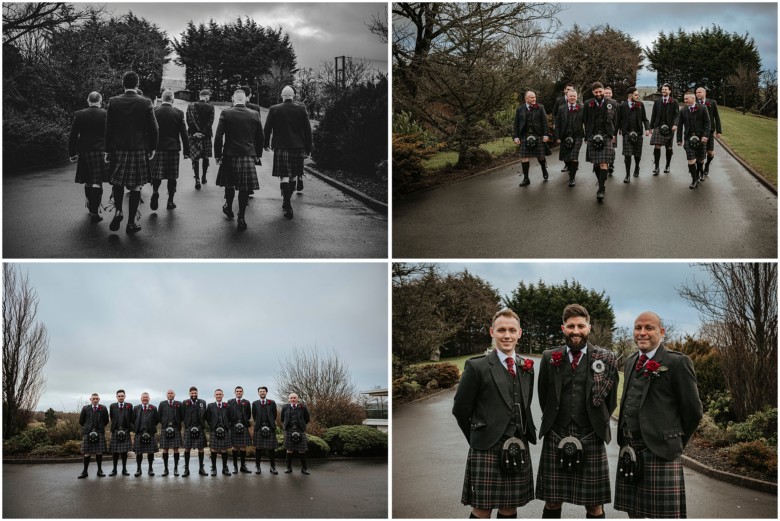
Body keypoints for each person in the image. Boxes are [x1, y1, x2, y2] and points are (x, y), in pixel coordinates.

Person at [614, 311, 703, 518]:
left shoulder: (677, 363)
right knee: (633, 513)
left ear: (662, 332)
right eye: (638, 328)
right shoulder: (630, 361)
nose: (642, 333)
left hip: (661, 453)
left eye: (649, 328)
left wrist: (674, 441)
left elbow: (693, 411)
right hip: (630, 449)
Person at [452, 308, 537, 519]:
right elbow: (460, 410)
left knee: (510, 507)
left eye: (511, 330)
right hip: (486, 447)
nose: (506, 335)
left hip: (518, 444)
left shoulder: (526, 367)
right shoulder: (477, 366)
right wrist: (477, 437)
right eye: (501, 330)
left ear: (520, 333)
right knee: (482, 509)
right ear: (492, 332)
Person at [536, 304, 619, 519]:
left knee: (594, 506)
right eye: (571, 325)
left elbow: (611, 400)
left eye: (580, 325)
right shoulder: (549, 357)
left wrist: (595, 421)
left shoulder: (606, 358)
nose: (576, 330)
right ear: (563, 328)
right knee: (552, 502)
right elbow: (543, 396)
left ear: (588, 328)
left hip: (592, 435)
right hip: (556, 433)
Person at [104, 71, 159, 234]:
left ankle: (119, 210)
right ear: (137, 84)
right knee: (135, 186)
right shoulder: (146, 102)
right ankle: (130, 223)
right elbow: (154, 128)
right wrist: (152, 147)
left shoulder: (113, 101)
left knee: (118, 182)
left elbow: (108, 128)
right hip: (138, 148)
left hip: (118, 148)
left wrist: (107, 150)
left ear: (123, 84)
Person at [214, 89, 264, 231]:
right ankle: (241, 217)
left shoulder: (226, 113)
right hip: (248, 155)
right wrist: (258, 154)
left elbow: (218, 136)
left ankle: (228, 207)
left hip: (230, 155)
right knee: (244, 188)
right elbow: (261, 137)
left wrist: (218, 155)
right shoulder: (254, 114)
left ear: (233, 99)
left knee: (229, 184)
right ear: (245, 99)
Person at [263, 85, 313, 219]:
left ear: (282, 96)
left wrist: (265, 144)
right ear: (293, 96)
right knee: (293, 176)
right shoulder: (301, 108)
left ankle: (288, 204)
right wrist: (308, 149)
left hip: (281, 147)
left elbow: (267, 129)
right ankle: (287, 201)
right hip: (297, 147)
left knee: (284, 176)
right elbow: (308, 131)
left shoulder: (274, 109)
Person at [69, 91, 109, 223]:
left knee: (87, 179)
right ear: (101, 101)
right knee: (96, 182)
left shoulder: (79, 115)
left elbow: (73, 136)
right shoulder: (106, 114)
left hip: (84, 152)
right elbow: (111, 134)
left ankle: (90, 206)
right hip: (100, 152)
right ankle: (94, 211)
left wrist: (72, 153)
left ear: (88, 100)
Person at [149, 89, 189, 211]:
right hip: (172, 149)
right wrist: (186, 151)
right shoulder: (178, 113)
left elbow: (149, 131)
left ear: (162, 98)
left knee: (156, 174)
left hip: (157, 148)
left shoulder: (154, 111)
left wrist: (148, 147)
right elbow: (184, 133)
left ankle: (155, 191)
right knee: (172, 176)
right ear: (172, 99)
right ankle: (170, 201)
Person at [583, 82, 616, 202]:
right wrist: (587, 136)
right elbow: (585, 121)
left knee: (604, 162)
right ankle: (601, 181)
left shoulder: (611, 103)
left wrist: (613, 134)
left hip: (606, 135)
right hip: (592, 135)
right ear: (593, 92)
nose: (598, 94)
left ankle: (601, 188)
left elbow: (614, 120)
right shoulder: (588, 104)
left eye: (600, 92)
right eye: (596, 92)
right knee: (596, 163)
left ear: (603, 91)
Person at [513, 90, 550, 186]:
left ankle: (543, 169)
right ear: (526, 99)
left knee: (540, 156)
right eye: (532, 97)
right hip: (525, 136)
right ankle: (526, 178)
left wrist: (546, 134)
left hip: (537, 135)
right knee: (524, 157)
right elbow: (516, 124)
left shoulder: (540, 107)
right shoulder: (520, 109)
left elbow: (544, 122)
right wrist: (516, 136)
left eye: (535, 97)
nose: (534, 99)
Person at [676, 91, 711, 189]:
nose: (684, 100)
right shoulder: (683, 110)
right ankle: (694, 180)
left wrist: (705, 136)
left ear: (693, 99)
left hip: (700, 138)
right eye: (684, 98)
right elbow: (679, 126)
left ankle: (699, 171)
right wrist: (679, 139)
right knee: (691, 159)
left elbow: (707, 123)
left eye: (686, 98)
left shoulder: (703, 108)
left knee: (700, 159)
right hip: (688, 138)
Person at [615, 87, 650, 183]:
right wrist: (614, 135)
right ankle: (627, 175)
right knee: (627, 155)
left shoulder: (640, 105)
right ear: (630, 95)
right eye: (636, 95)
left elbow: (645, 119)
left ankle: (637, 166)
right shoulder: (622, 106)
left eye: (638, 94)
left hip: (638, 133)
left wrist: (647, 129)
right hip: (627, 133)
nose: (638, 96)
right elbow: (617, 122)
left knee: (637, 154)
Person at [554, 89, 585, 187]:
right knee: (566, 158)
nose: (572, 98)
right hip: (564, 136)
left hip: (578, 136)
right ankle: (572, 168)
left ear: (577, 97)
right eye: (571, 96)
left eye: (574, 96)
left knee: (573, 157)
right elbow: (558, 123)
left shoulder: (581, 108)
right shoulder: (561, 108)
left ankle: (572, 178)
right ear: (567, 97)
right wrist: (558, 136)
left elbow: (587, 122)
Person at [187, 89, 215, 189]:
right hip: (206, 136)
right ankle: (204, 177)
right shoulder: (211, 107)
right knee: (205, 156)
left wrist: (196, 133)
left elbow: (189, 121)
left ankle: (197, 179)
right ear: (206, 96)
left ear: (200, 96)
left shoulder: (191, 106)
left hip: (194, 136)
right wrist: (202, 133)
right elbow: (210, 122)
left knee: (196, 157)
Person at [649, 84, 680, 175]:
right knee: (657, 146)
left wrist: (675, 124)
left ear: (670, 91)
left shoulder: (674, 102)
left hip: (670, 127)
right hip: (658, 126)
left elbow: (676, 115)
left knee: (668, 147)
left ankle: (667, 166)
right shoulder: (657, 102)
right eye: (663, 89)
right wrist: (651, 127)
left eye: (666, 89)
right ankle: (656, 167)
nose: (664, 91)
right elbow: (653, 115)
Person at [78, 393, 109, 479]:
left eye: (96, 398)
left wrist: (100, 427)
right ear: (90, 399)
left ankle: (99, 471)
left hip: (99, 432)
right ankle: (85, 472)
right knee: (87, 453)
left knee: (99, 452)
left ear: (99, 399)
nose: (95, 400)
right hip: (88, 433)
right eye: (93, 398)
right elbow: (81, 421)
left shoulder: (103, 408)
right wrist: (87, 428)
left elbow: (106, 421)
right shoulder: (85, 408)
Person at [281, 392, 311, 475]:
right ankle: (288, 468)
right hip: (289, 430)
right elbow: (283, 419)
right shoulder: (285, 407)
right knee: (289, 449)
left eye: (294, 398)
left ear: (297, 399)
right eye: (291, 398)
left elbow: (307, 418)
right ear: (289, 399)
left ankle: (304, 469)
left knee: (302, 450)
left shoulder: (302, 407)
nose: (293, 399)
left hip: (300, 430)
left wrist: (301, 425)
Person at [695, 86, 722, 176]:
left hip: (709, 131)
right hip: (698, 132)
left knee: (710, 152)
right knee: (700, 153)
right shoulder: (694, 103)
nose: (698, 94)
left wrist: (719, 131)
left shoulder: (712, 103)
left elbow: (716, 117)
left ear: (705, 93)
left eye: (700, 92)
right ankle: (700, 170)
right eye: (696, 92)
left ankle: (707, 165)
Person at [252, 386, 279, 474]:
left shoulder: (272, 402)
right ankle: (258, 467)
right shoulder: (255, 403)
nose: (262, 393)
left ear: (266, 392)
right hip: (259, 427)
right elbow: (254, 415)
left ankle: (273, 467)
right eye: (260, 391)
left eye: (264, 391)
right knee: (258, 449)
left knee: (271, 449)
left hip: (270, 427)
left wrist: (270, 423)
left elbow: (274, 415)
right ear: (258, 393)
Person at [182, 386, 209, 477]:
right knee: (187, 449)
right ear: (189, 394)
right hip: (189, 428)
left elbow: (205, 415)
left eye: (195, 393)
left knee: (201, 448)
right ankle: (186, 469)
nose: (194, 394)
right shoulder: (185, 403)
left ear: (197, 393)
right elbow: (182, 415)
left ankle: (201, 468)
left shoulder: (202, 402)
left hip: (199, 427)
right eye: (192, 393)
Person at [205, 388, 233, 476]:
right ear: (214, 395)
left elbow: (230, 417)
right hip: (214, 429)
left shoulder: (227, 405)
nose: (218, 396)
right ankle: (214, 468)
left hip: (225, 430)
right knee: (213, 449)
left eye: (220, 394)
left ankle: (225, 468)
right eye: (217, 394)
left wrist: (227, 425)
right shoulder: (210, 406)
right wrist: (212, 425)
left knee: (224, 450)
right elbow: (207, 417)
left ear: (222, 395)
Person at [132, 392, 159, 476]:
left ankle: (150, 469)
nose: (145, 399)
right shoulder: (136, 408)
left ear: (149, 398)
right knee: (139, 453)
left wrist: (150, 427)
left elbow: (157, 420)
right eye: (143, 397)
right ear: (141, 398)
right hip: (139, 433)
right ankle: (138, 469)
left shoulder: (153, 408)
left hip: (150, 433)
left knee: (150, 452)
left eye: (146, 397)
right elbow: (133, 420)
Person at [158, 389, 183, 477]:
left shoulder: (179, 404)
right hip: (165, 428)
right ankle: (166, 469)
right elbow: (159, 416)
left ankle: (176, 468)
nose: (170, 394)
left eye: (172, 393)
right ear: (166, 395)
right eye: (168, 393)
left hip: (175, 428)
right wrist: (165, 424)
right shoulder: (162, 404)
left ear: (174, 395)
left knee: (176, 449)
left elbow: (182, 415)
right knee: (165, 449)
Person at [228, 386, 253, 474]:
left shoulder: (246, 402)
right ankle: (235, 467)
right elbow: (228, 414)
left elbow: (249, 415)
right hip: (233, 427)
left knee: (243, 447)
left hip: (244, 426)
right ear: (235, 392)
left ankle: (243, 466)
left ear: (242, 393)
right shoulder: (230, 402)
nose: (239, 393)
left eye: (240, 391)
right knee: (234, 447)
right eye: (237, 391)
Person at [108, 389, 134, 476]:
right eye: (119, 396)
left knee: (124, 452)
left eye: (122, 396)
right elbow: (112, 417)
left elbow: (131, 418)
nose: (120, 397)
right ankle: (114, 470)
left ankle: (124, 469)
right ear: (116, 397)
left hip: (126, 430)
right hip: (116, 430)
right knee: (115, 452)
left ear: (125, 396)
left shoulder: (129, 406)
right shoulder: (112, 406)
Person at [552, 84, 574, 173]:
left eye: (571, 90)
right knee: (564, 147)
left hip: (572, 126)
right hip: (562, 126)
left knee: (572, 146)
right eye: (568, 89)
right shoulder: (559, 101)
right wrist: (554, 123)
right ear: (564, 90)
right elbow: (554, 113)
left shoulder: (575, 99)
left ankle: (573, 164)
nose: (569, 91)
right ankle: (566, 165)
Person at [602, 86, 620, 175]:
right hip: (602, 130)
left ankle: (611, 165)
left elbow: (618, 117)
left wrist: (618, 128)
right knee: (604, 148)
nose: (608, 95)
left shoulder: (615, 103)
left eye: (609, 93)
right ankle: (604, 164)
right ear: (603, 94)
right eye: (606, 93)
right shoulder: (600, 103)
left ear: (612, 94)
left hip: (613, 129)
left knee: (613, 149)